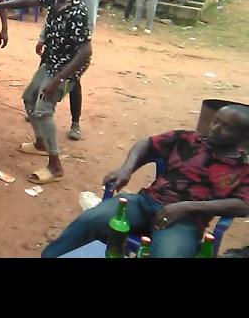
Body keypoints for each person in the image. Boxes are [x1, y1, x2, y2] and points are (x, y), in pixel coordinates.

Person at [42, 105, 249, 258]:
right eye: (216, 121)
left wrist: (187, 207)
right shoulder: (189, 139)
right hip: (145, 203)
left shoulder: (242, 166)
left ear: (242, 136)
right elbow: (146, 143)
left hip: (185, 222)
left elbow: (243, 205)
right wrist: (127, 169)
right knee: (90, 219)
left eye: (226, 127)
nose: (215, 128)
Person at [0, 0, 91, 185]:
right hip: (50, 61)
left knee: (43, 109)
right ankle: (41, 143)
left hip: (65, 69)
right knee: (29, 98)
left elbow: (86, 51)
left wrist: (59, 79)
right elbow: (27, 1)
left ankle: (55, 165)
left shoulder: (77, 10)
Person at [35, 0, 98, 142]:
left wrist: (78, 44)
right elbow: (49, 14)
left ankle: (75, 123)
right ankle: (38, 111)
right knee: (38, 84)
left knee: (73, 85)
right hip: (54, 48)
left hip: (73, 50)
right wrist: (43, 37)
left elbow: (89, 21)